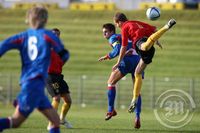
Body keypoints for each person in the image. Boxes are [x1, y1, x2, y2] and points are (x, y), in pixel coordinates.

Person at [0, 6, 70, 133]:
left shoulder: (23, 36)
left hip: (29, 83)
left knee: (54, 121)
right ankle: (23, 100)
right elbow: (65, 54)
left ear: (28, 19)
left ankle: (22, 100)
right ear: (45, 20)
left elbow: (3, 46)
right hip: (35, 84)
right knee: (16, 121)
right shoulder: (49, 36)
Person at [112, 12, 176, 113]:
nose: (117, 26)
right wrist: (156, 40)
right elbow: (153, 29)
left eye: (116, 24)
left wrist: (118, 62)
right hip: (149, 50)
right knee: (137, 73)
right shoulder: (135, 22)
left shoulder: (124, 27)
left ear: (119, 22)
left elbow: (123, 47)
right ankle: (134, 99)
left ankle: (166, 27)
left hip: (140, 43)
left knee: (144, 46)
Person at [98, 23, 143, 129]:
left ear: (112, 32)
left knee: (111, 82)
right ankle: (137, 116)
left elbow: (117, 49)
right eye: (103, 32)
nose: (104, 34)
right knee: (136, 91)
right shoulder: (125, 36)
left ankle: (110, 110)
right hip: (139, 61)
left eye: (106, 32)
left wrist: (107, 56)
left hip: (127, 61)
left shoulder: (114, 37)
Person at [46, 28, 72, 130]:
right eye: (54, 34)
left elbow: (62, 61)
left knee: (68, 100)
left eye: (58, 34)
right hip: (49, 76)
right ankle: (51, 123)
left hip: (58, 76)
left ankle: (62, 119)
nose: (56, 36)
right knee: (56, 98)